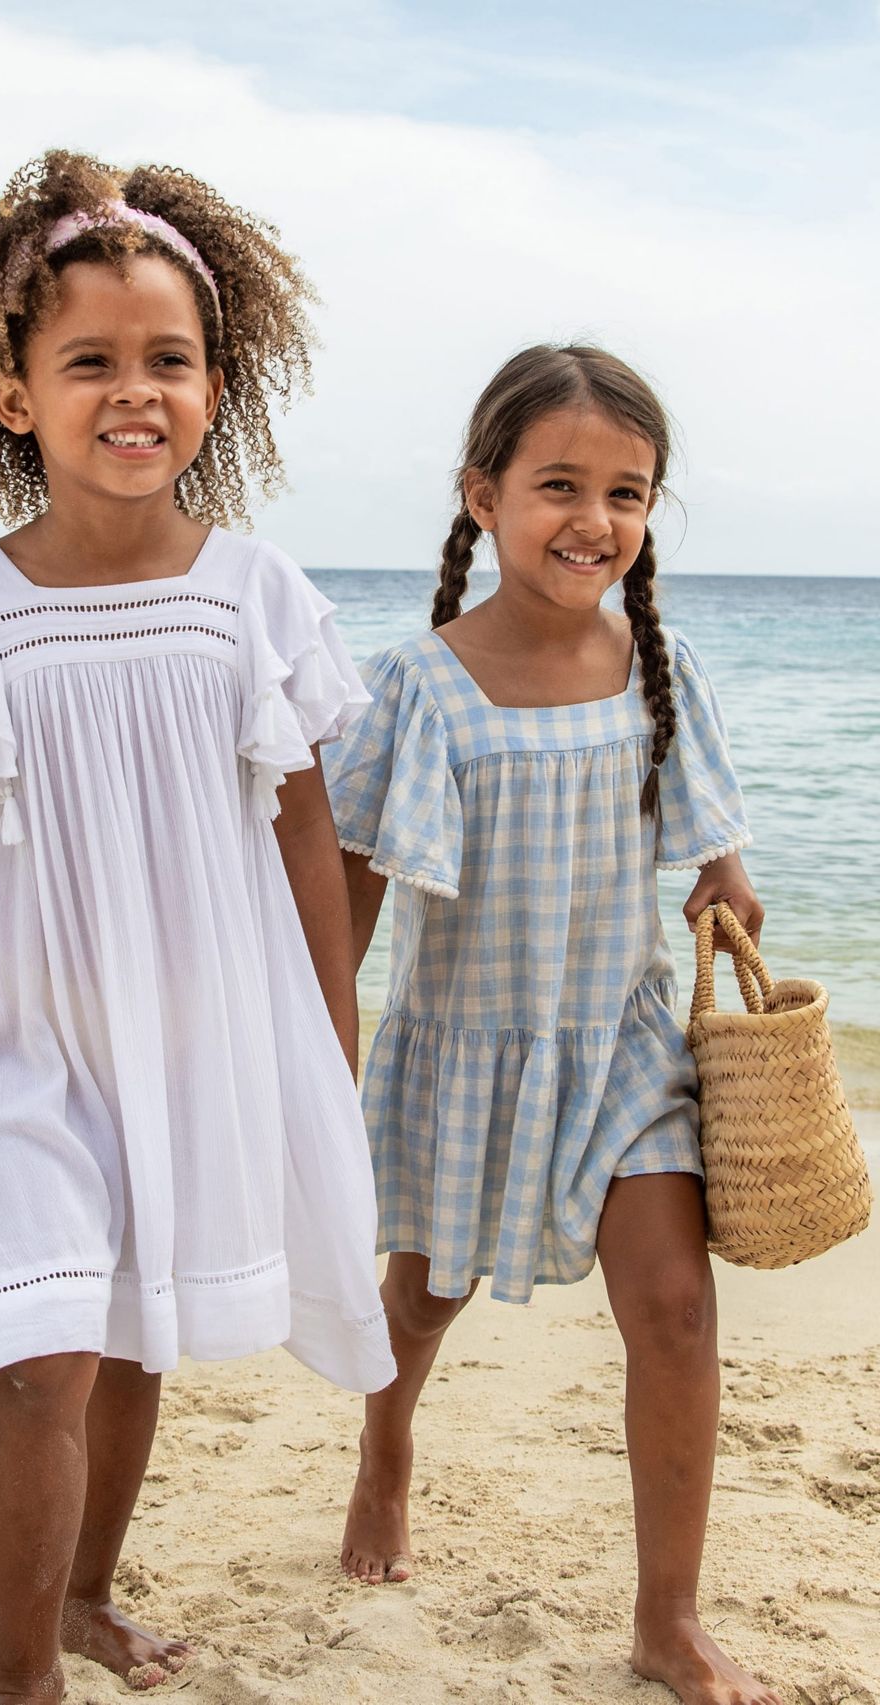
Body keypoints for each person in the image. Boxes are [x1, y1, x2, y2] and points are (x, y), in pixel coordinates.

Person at [0, 150, 395, 1704]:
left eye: (170, 360)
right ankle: (19, 1677)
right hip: (37, 1041)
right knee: (43, 1347)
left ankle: (86, 1594)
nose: (137, 391)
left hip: (201, 1035)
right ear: (13, 396)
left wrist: (330, 1032)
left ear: (214, 385)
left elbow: (306, 830)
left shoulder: (253, 593)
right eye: (92, 362)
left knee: (134, 1342)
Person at [325, 345, 780, 1705]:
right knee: (420, 1301)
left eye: (628, 492)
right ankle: (386, 1448)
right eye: (560, 484)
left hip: (623, 1046)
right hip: (465, 1044)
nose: (596, 518)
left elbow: (719, 864)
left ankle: (666, 1617)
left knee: (678, 1312)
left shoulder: (659, 664)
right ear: (482, 495)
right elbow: (349, 883)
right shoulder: (419, 682)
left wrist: (731, 891)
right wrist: (319, 1035)